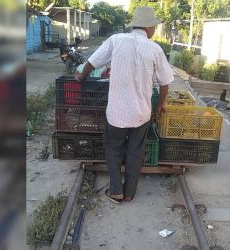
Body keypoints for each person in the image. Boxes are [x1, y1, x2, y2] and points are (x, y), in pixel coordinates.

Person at [74, 6, 174, 203]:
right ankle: (129, 193)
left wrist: (81, 76)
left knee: (113, 148)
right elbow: (165, 82)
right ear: (148, 27)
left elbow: (92, 63)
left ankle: (116, 191)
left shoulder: (116, 40)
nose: (154, 30)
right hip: (141, 114)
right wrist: (161, 104)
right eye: (153, 27)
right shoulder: (154, 48)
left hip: (116, 114)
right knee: (135, 151)